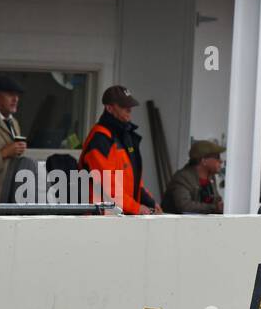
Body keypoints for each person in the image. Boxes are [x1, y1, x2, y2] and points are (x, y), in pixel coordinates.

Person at [79, 85, 159, 215]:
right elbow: (108, 185)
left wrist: (150, 202)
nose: (129, 109)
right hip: (101, 218)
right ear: (109, 108)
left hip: (121, 214)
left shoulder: (124, 135)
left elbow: (134, 179)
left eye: (130, 105)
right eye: (123, 106)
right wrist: (136, 208)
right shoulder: (100, 139)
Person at [162, 140, 224, 214]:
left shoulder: (211, 177)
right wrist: (214, 208)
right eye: (217, 157)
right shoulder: (183, 177)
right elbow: (185, 206)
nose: (221, 161)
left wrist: (220, 205)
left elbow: (216, 200)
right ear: (203, 160)